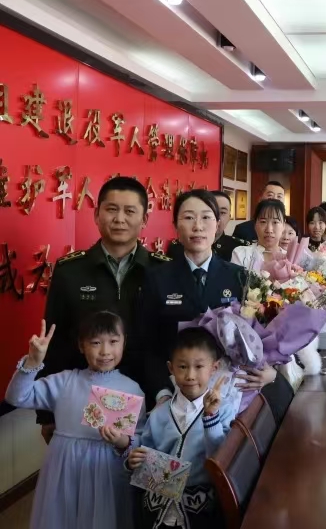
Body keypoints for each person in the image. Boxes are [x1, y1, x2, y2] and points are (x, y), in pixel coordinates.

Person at [36, 176, 169, 443]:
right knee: (89, 461)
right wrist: (47, 413)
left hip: (149, 396)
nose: (120, 219)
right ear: (97, 215)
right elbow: (55, 340)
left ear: (144, 219)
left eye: (130, 211)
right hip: (83, 399)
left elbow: (168, 340)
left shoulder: (163, 271)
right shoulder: (70, 271)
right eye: (111, 209)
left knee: (136, 461)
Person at [6, 312, 145, 529]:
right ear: (81, 345)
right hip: (64, 472)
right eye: (96, 343)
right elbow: (16, 397)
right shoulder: (65, 381)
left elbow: (139, 442)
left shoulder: (132, 389)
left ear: (124, 342)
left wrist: (122, 442)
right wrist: (32, 362)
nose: (105, 351)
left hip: (106, 474)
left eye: (113, 342)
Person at [138, 190, 274, 406]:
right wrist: (162, 394)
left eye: (206, 217)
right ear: (176, 226)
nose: (198, 226)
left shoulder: (239, 277)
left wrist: (269, 372)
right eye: (188, 217)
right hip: (175, 393)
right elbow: (148, 346)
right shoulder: (157, 278)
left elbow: (260, 336)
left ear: (218, 224)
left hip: (229, 393)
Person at [128, 327, 236, 528]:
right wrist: (135, 459)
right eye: (183, 367)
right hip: (158, 506)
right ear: (171, 368)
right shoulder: (159, 414)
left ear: (214, 367)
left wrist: (210, 417)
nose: (190, 375)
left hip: (201, 508)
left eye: (199, 366)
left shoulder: (224, 411)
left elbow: (220, 459)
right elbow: (145, 452)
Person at [167, 190, 247, 262]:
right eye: (189, 217)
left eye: (222, 212)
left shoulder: (240, 250)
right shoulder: (176, 248)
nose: (198, 226)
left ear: (229, 217)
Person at [231, 199, 288, 271]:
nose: (269, 230)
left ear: (283, 225)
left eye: (275, 222)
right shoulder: (241, 254)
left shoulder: (290, 258)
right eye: (263, 222)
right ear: (255, 224)